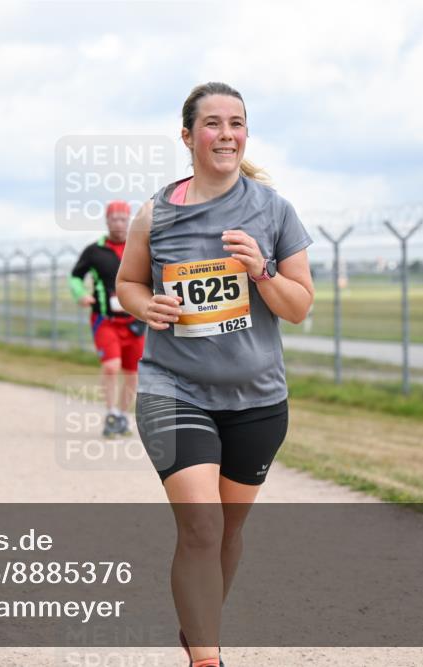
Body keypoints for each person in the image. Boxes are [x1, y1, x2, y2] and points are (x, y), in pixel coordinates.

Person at [116, 82, 314, 667]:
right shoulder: (156, 212)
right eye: (212, 124)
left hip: (256, 399)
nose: (226, 134)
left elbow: (299, 307)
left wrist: (261, 271)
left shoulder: (274, 211)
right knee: (201, 527)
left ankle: (200, 628)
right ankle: (208, 659)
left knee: (226, 532)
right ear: (188, 136)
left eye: (237, 123)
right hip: (173, 389)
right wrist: (143, 305)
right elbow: (128, 282)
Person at [70, 201, 146, 437]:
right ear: (107, 221)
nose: (119, 223)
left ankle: (123, 416)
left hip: (135, 321)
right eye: (114, 219)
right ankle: (111, 412)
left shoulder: (139, 247)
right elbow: (75, 276)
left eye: (123, 219)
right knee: (111, 367)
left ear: (129, 221)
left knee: (133, 373)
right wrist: (81, 294)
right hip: (105, 320)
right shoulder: (94, 251)